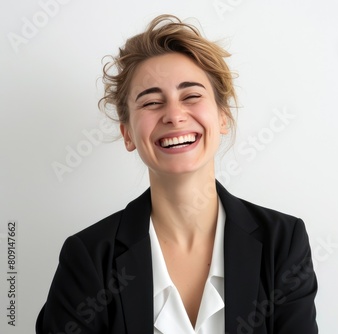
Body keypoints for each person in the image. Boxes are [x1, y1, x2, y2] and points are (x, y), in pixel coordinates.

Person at [36, 14, 318, 334]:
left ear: (222, 116)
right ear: (127, 133)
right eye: (152, 102)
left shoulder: (282, 242)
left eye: (191, 96)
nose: (174, 115)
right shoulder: (88, 257)